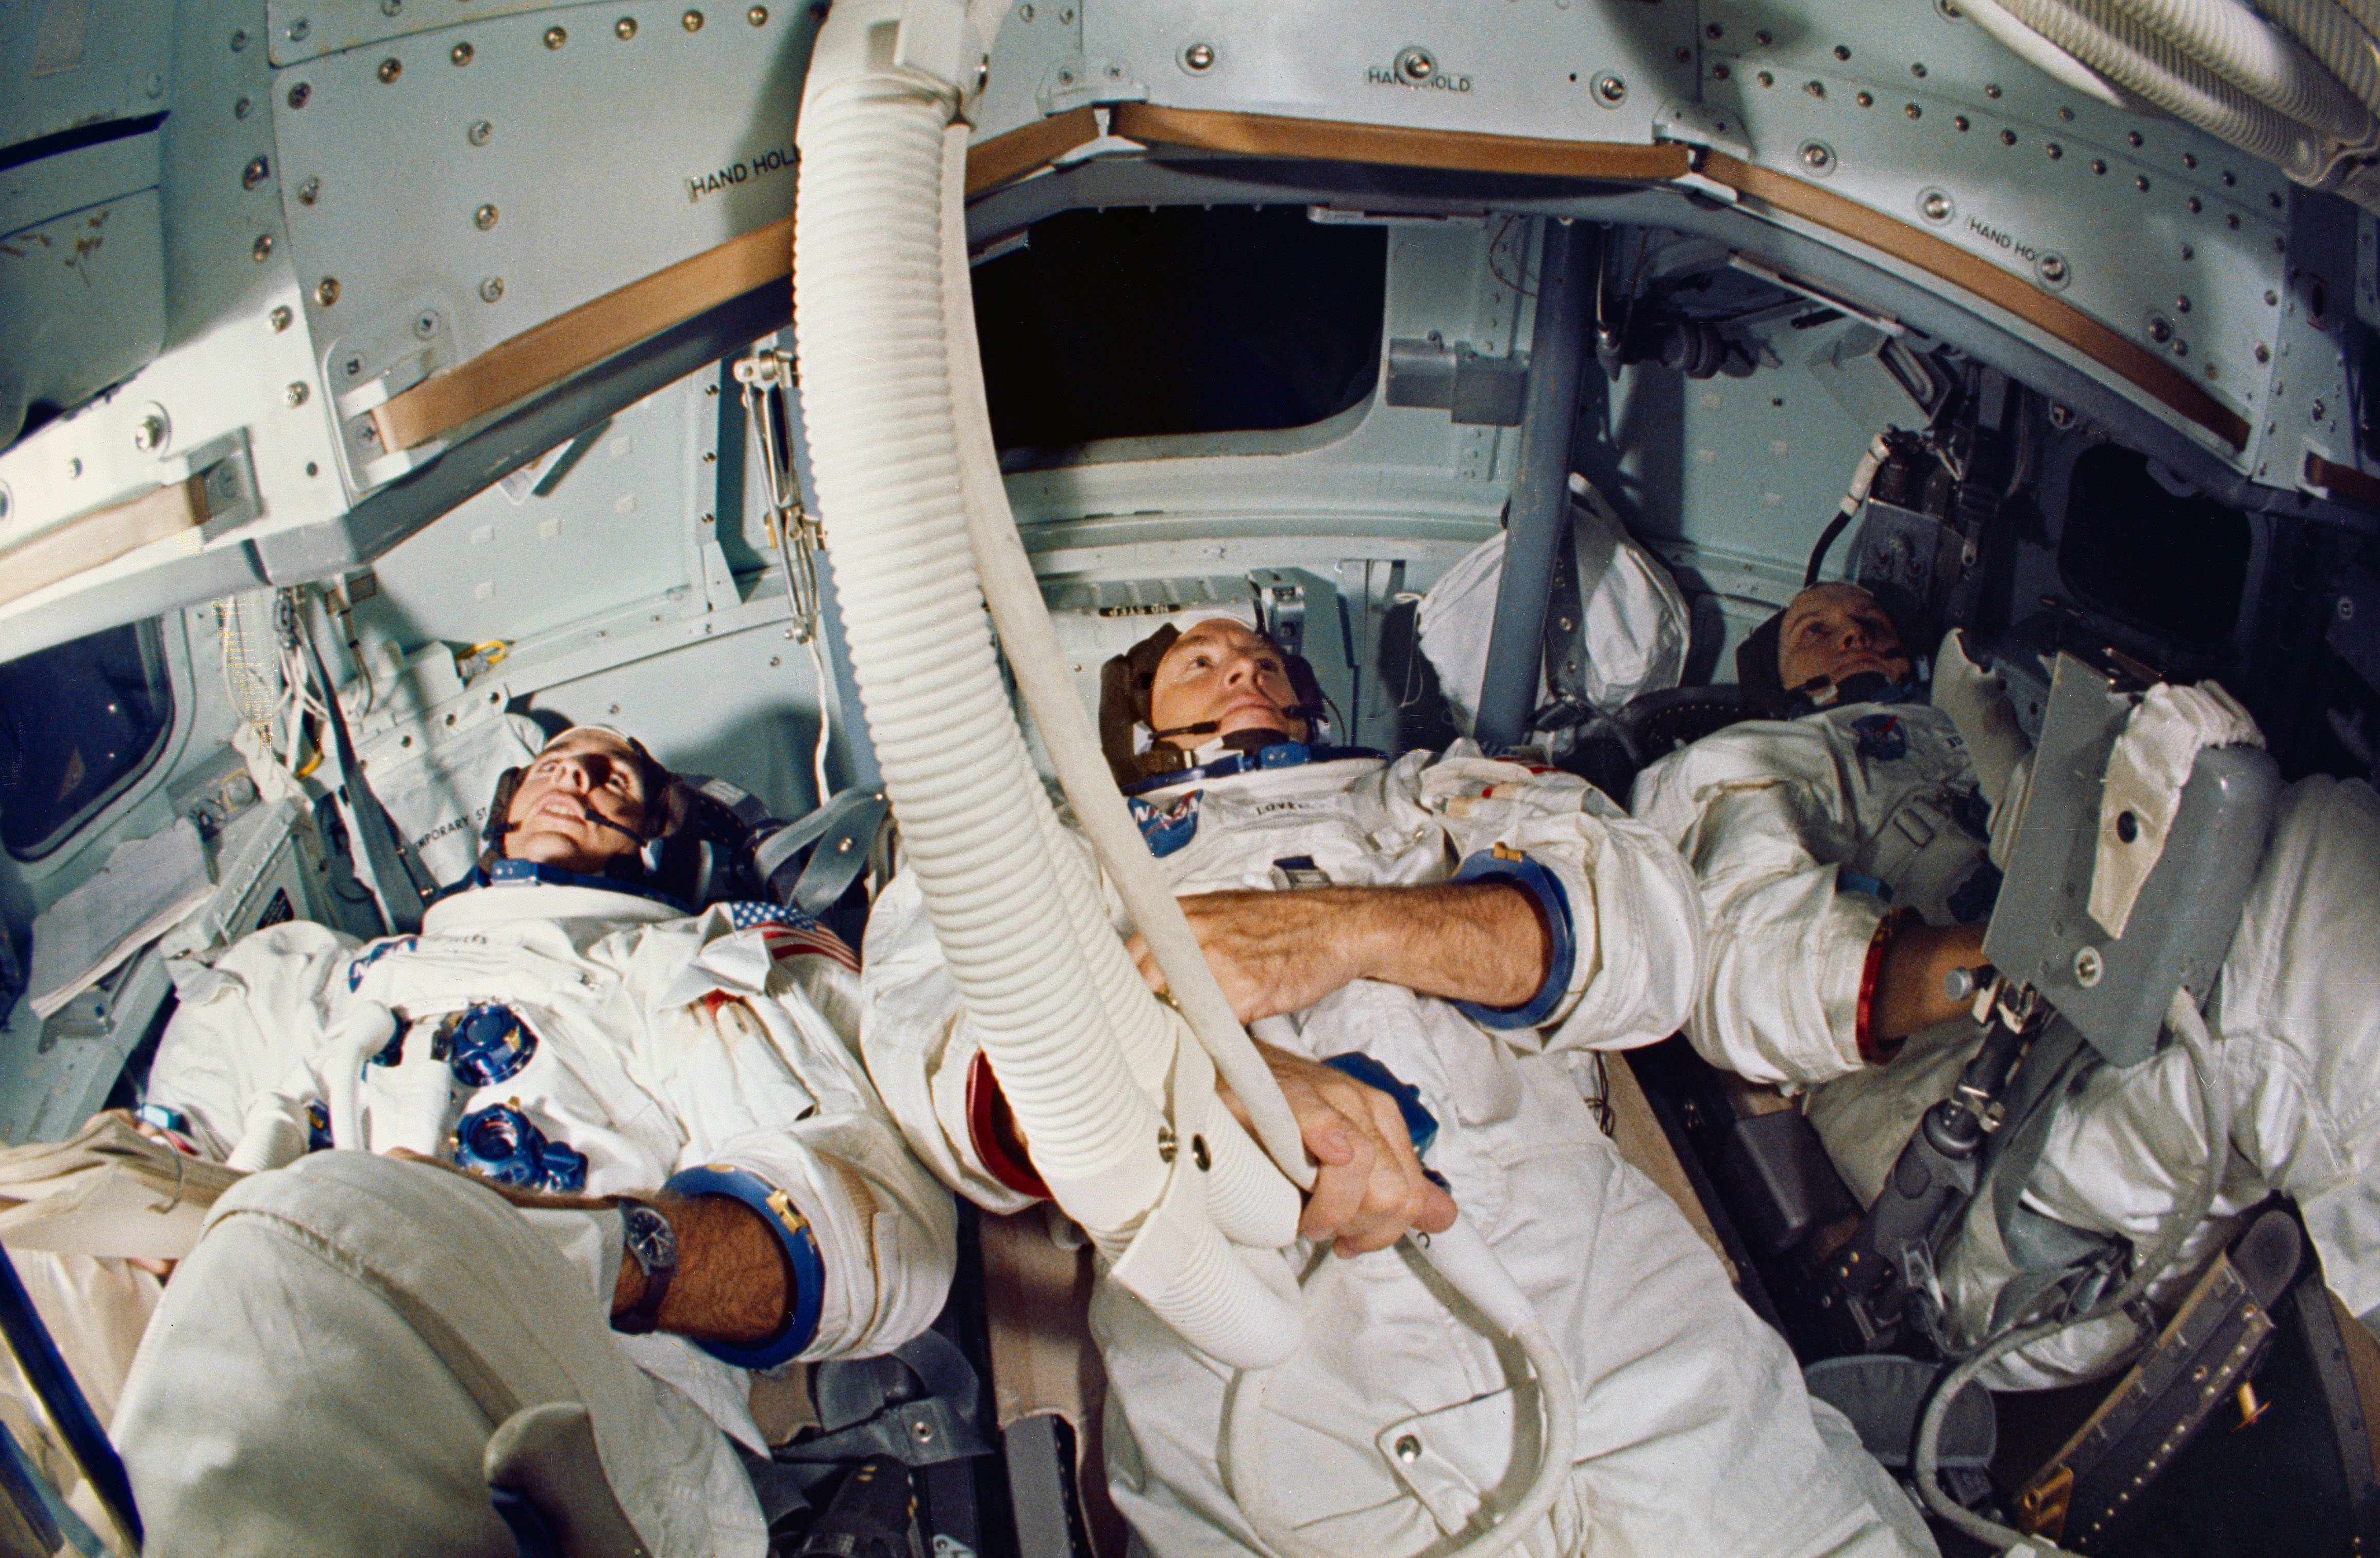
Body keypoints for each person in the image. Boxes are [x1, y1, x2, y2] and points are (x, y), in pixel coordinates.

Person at [862, 613, 1936, 1557]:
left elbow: (1647, 935)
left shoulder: (1429, 793)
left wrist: (1345, 929)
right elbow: (939, 1029)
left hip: (1610, 1322)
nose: (1243, 671)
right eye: (1197, 662)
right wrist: (1199, 1086)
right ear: (1134, 727)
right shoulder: (1060, 850)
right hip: (1260, 1381)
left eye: (1262, 658)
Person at [112, 726, 957, 1557]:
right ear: (502, 818)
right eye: (551, 767)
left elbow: (884, 1243)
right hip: (266, 1348)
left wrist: (597, 1252)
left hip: (601, 1412)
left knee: (297, 1237)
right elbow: (176, 1150)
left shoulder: (678, 966)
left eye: (610, 778)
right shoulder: (314, 975)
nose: (574, 780)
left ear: (665, 840)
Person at [1631, 584, 2380, 1385]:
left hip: (2101, 1046)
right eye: (1814, 630)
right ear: (1772, 683)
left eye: (1871, 627)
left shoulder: (1962, 733)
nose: (1850, 638)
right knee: (2315, 933)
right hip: (1977, 1194)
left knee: (2325, 819)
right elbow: (1742, 958)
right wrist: (2034, 954)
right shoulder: (1734, 765)